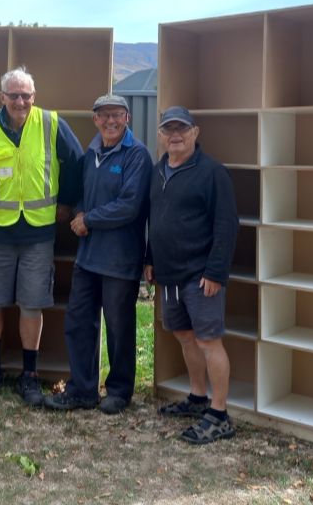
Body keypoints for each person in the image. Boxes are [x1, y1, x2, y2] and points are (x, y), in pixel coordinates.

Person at [0, 66, 83, 406]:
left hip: (38, 233)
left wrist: (66, 202)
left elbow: (76, 161)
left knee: (32, 304)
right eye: (14, 95)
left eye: (26, 95)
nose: (20, 101)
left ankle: (29, 375)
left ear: (33, 97)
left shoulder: (52, 124)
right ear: (2, 98)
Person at [44, 94, 152, 415]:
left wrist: (88, 219)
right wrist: (78, 213)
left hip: (120, 259)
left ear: (127, 118)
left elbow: (129, 206)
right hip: (88, 257)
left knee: (118, 327)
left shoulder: (137, 156)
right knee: (79, 322)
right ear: (95, 119)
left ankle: (119, 390)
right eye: (104, 116)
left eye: (116, 115)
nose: (110, 121)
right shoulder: (90, 153)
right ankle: (83, 389)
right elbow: (81, 196)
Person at [144, 105, 238, 443]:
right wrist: (150, 258)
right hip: (168, 275)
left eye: (181, 129)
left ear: (195, 133)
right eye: (168, 129)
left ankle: (219, 414)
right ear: (161, 136)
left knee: (208, 341)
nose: (175, 135)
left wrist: (215, 272)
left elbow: (226, 225)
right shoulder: (157, 172)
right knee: (184, 337)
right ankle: (198, 398)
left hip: (200, 276)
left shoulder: (212, 172)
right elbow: (156, 221)